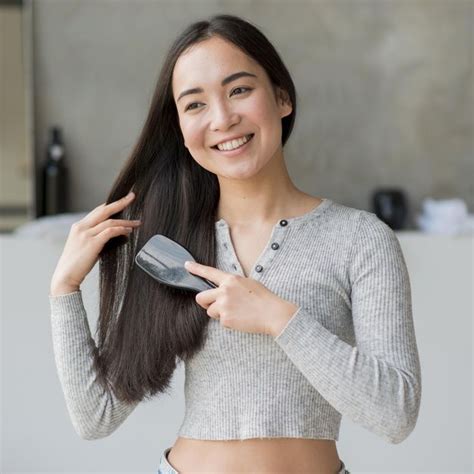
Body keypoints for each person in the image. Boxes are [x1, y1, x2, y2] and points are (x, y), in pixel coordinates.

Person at [49, 14, 422, 474]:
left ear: (282, 97)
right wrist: (64, 289)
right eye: (195, 104)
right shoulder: (169, 244)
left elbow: (396, 415)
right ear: (182, 132)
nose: (222, 119)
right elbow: (96, 417)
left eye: (239, 90)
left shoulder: (360, 239)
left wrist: (279, 318)